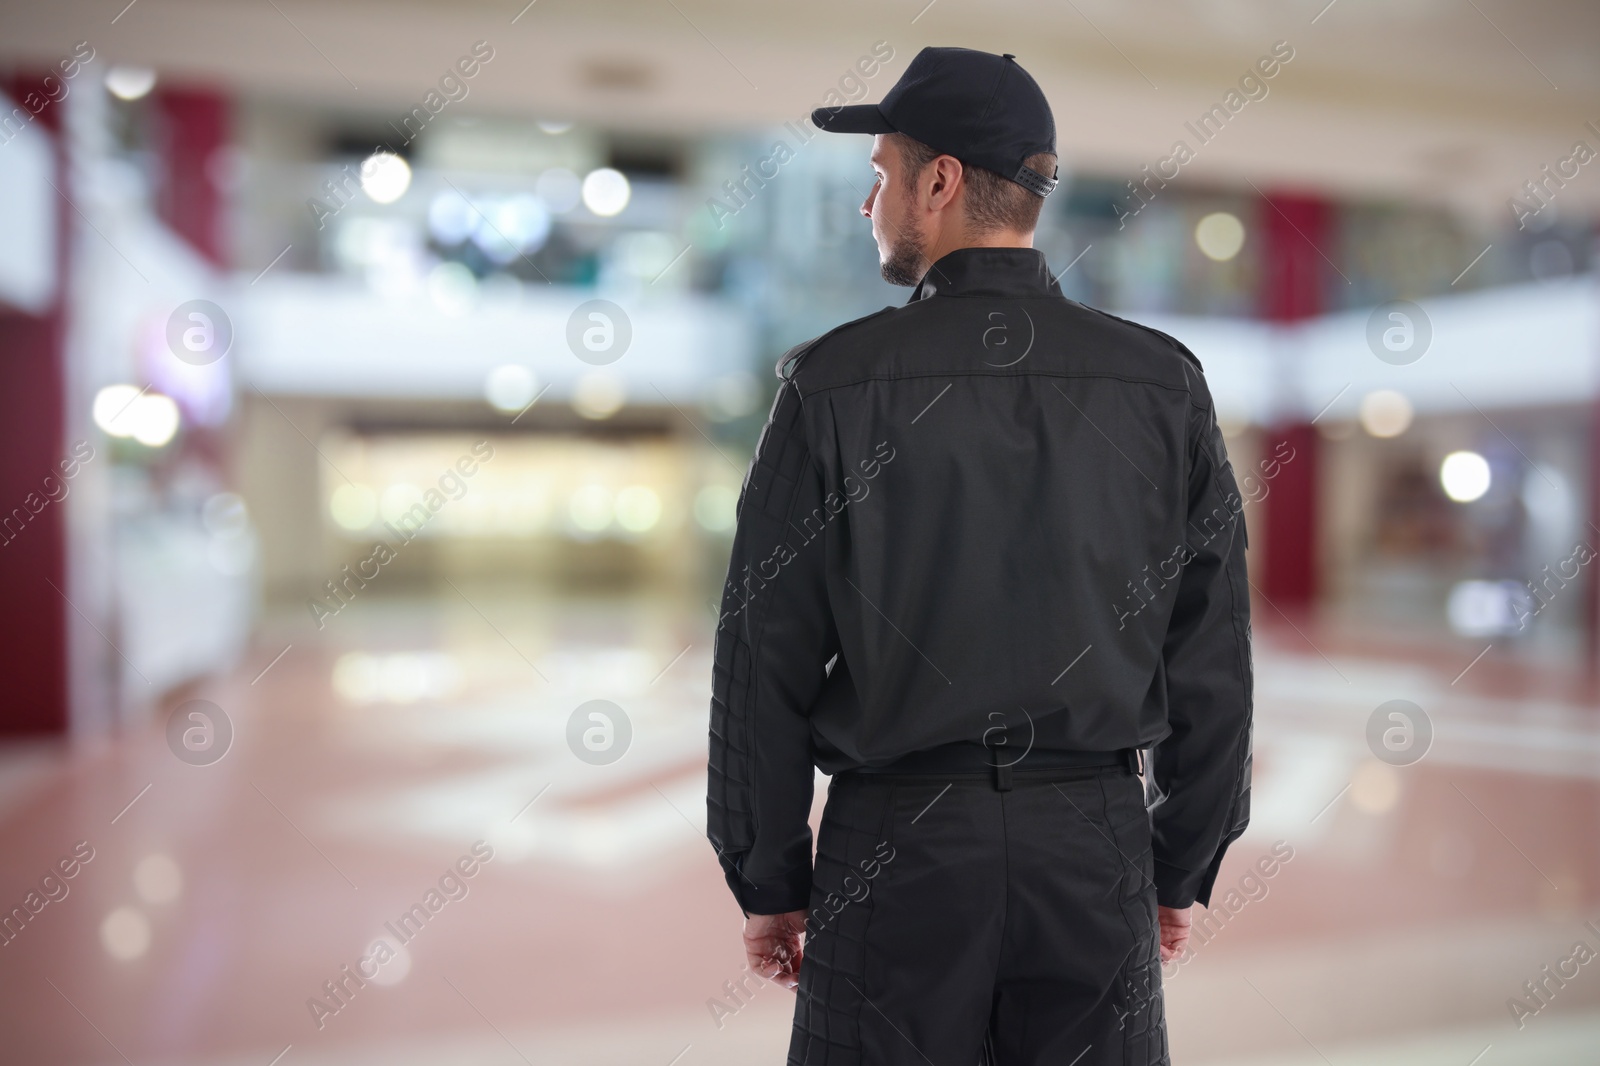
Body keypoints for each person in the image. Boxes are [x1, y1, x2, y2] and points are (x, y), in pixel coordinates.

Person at [706, 45, 1253, 1066]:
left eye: (878, 177)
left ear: (940, 181)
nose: (866, 203)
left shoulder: (831, 384)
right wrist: (1176, 864)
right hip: (1093, 850)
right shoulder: (1162, 385)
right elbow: (1212, 656)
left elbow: (761, 656)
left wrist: (768, 877)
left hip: (897, 850)